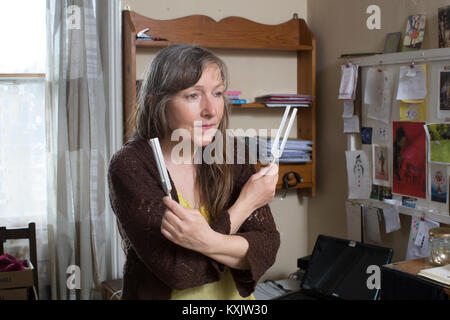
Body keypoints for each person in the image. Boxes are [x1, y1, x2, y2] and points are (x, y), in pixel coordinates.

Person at [108, 44, 280, 300]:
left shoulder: (233, 153)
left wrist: (204, 240)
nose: (211, 110)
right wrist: (247, 203)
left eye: (218, 93)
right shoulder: (130, 165)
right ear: (157, 103)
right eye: (193, 95)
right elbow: (180, 271)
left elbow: (266, 248)